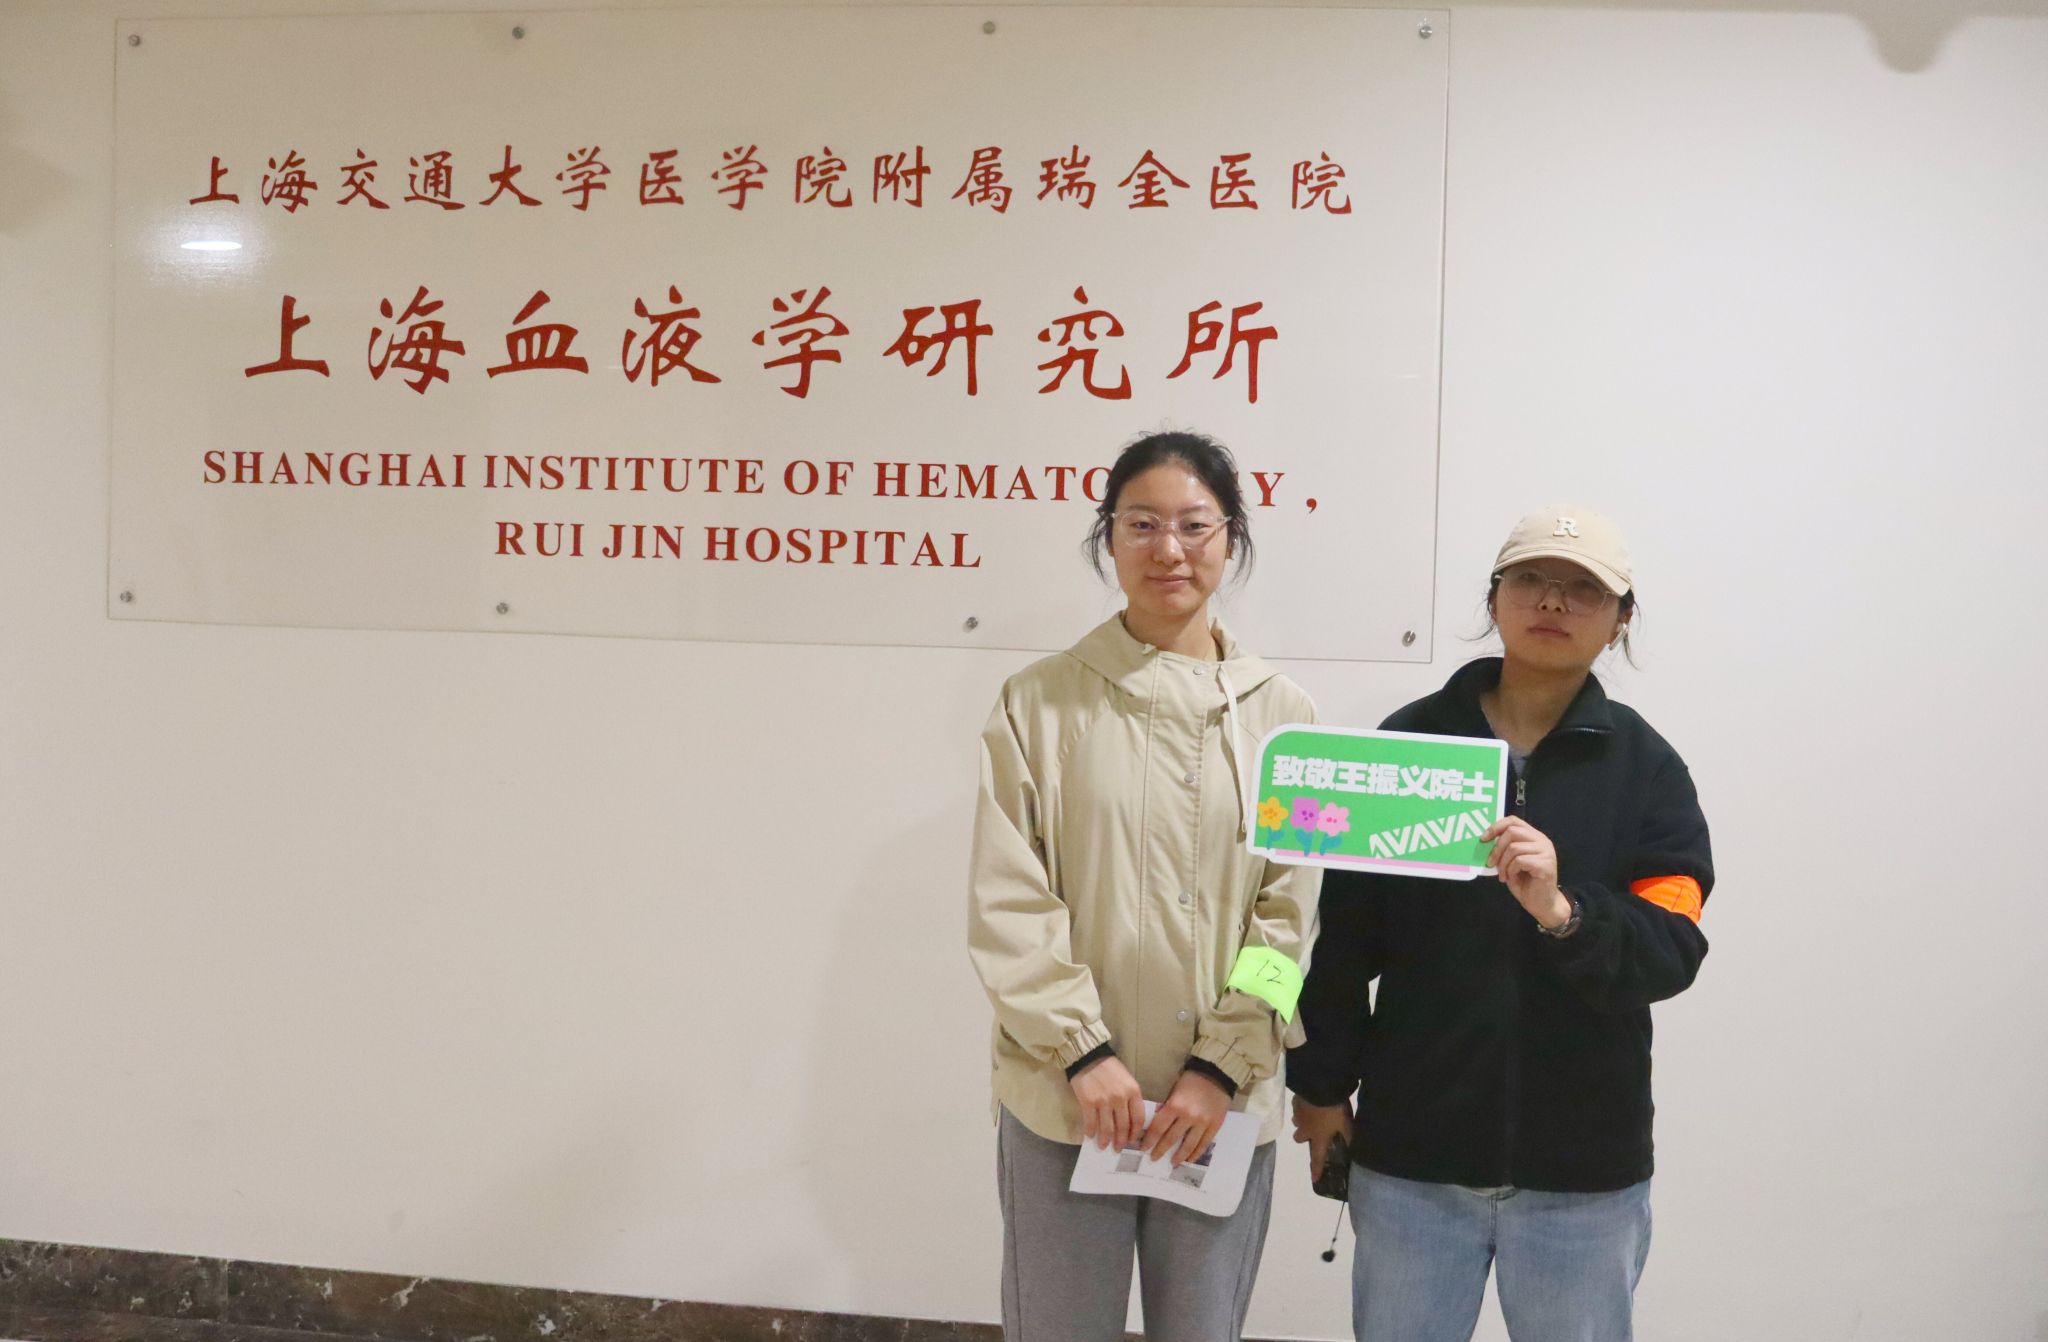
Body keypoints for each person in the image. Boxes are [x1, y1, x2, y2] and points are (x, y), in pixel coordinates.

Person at [1288, 506, 1714, 1342]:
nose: (1552, 601)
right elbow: (1339, 943)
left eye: (1583, 589)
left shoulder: (1648, 769)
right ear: (1493, 599)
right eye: (1531, 580)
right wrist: (1321, 1087)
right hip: (1413, 1163)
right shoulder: (1409, 745)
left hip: (1583, 1176)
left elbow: (1670, 948)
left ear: (1621, 619)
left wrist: (1565, 912)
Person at [967, 430, 1322, 1341]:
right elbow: (1008, 902)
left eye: (1195, 525)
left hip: (1220, 1109)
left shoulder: (1283, 718)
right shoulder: (1038, 702)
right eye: (1142, 524)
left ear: (1232, 538)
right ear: (1109, 539)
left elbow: (1290, 922)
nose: (1170, 549)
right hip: (1066, 1101)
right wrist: (1082, 1054)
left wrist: (1222, 1064)